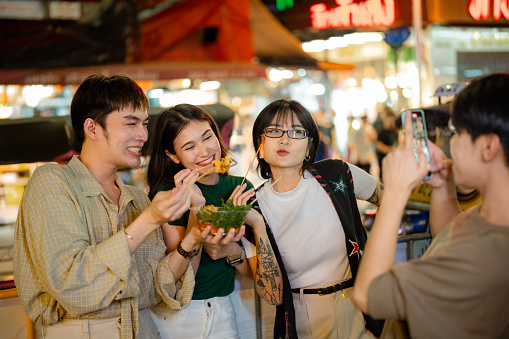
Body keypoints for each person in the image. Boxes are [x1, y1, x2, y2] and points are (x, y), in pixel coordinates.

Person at [13, 75, 209, 339]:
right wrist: (149, 219)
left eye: (145, 124)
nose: (143, 135)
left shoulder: (136, 198)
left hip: (143, 328)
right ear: (92, 128)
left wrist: (194, 234)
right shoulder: (52, 182)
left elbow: (158, 289)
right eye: (131, 124)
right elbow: (73, 286)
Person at [352, 73, 509, 338]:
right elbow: (450, 231)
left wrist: (396, 192)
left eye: (458, 133)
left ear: (488, 147)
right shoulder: (494, 217)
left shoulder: (484, 259)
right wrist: (442, 184)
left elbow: (369, 294)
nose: (451, 144)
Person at [245, 99, 385, 338]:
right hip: (306, 318)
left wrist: (377, 246)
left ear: (310, 146)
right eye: (274, 130)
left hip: (361, 306)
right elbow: (272, 296)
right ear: (260, 143)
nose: (284, 139)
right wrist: (257, 225)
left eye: (297, 132)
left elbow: (389, 198)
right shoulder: (254, 207)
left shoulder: (337, 175)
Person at [146, 104, 281, 338]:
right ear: (173, 156)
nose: (205, 151)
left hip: (224, 307)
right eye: (189, 147)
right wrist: (196, 207)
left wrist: (231, 252)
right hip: (178, 316)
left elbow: (252, 275)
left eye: (208, 137)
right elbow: (180, 278)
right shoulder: (169, 194)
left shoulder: (241, 188)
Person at [376, 110, 398, 180]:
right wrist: (393, 150)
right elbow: (380, 147)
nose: (391, 122)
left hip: (394, 167)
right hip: (384, 167)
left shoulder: (395, 132)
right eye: (390, 120)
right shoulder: (381, 133)